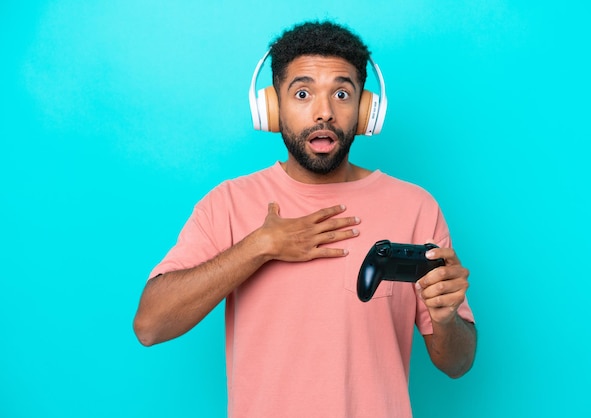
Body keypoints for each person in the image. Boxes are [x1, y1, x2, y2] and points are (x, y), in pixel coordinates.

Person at [133, 20, 476, 417]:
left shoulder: (416, 207)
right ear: (273, 107)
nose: (324, 112)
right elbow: (150, 326)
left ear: (366, 110)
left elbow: (457, 363)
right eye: (302, 93)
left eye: (342, 94)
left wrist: (446, 317)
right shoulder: (228, 203)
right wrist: (259, 246)